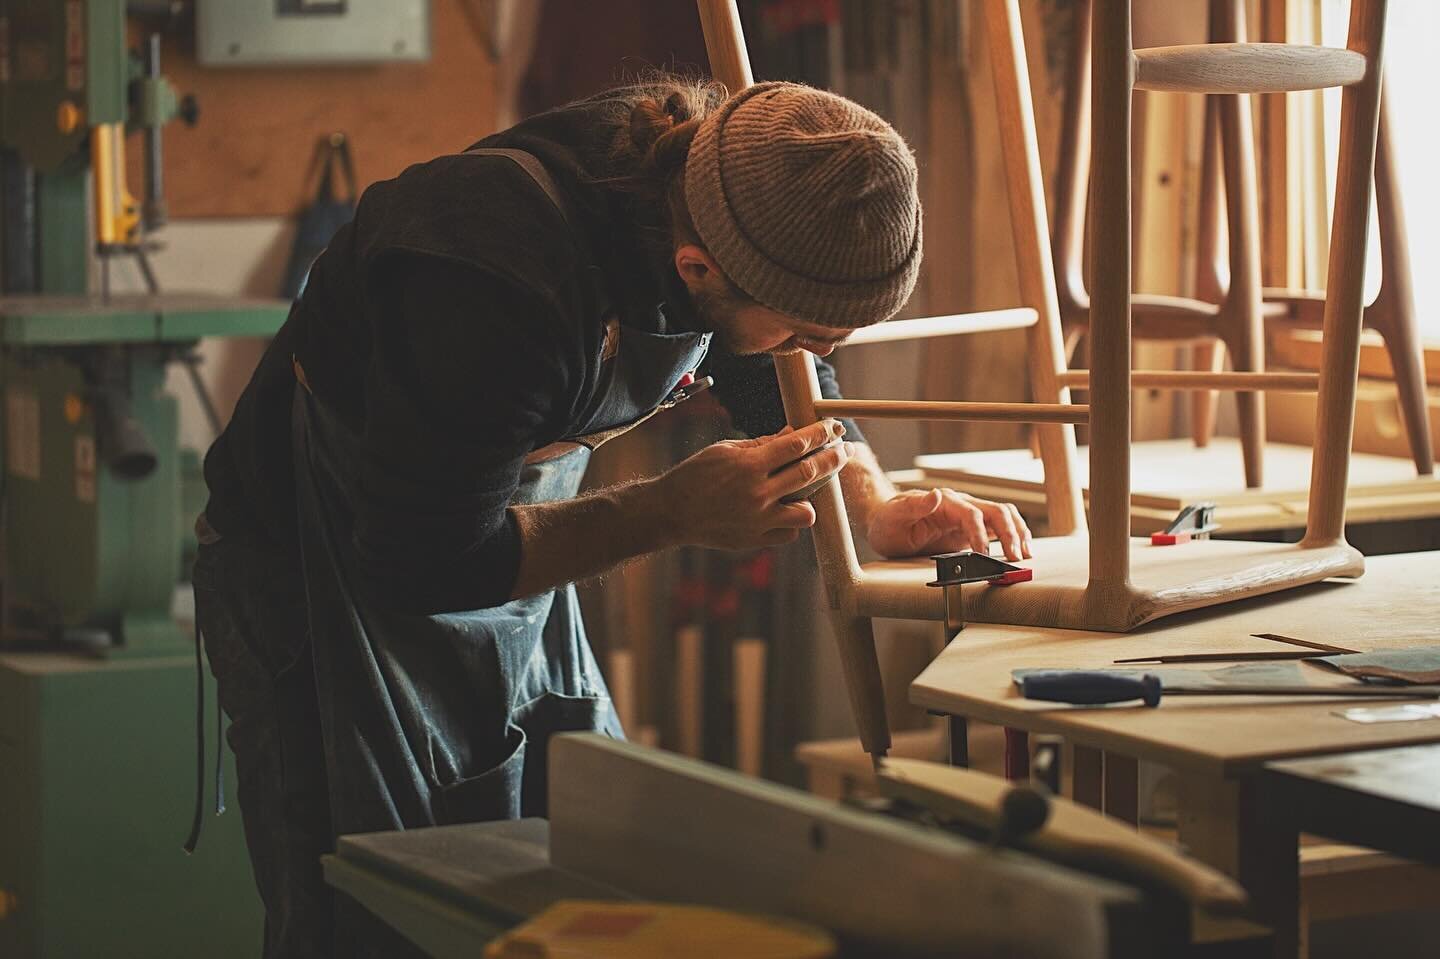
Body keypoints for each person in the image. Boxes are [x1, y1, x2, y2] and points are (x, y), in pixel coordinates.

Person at [192, 76, 1033, 957]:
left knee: (575, 874)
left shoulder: (723, 182)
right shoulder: (498, 281)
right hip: (325, 573)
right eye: (802, 335)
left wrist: (873, 502)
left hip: (494, 535)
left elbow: (758, 360)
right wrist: (672, 510)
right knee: (373, 912)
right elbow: (419, 563)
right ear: (698, 270)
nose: (814, 360)